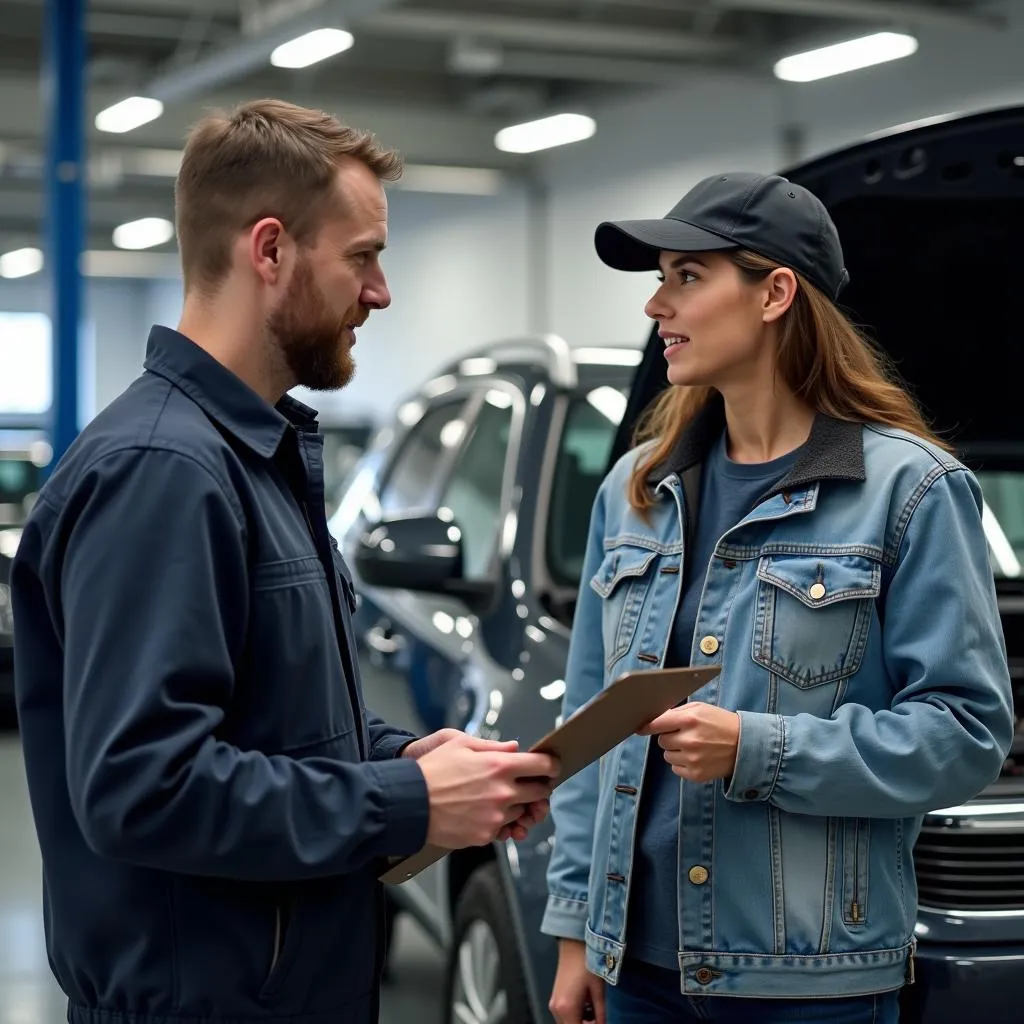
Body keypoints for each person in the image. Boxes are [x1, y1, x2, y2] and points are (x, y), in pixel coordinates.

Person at [10, 99, 558, 1024]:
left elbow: (267, 723)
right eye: (363, 256)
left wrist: (409, 760)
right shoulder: (164, 473)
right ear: (269, 251)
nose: (379, 292)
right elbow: (144, 787)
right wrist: (402, 801)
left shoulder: (248, 461)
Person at [542, 171, 1014, 1024]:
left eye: (686, 276)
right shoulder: (637, 490)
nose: (658, 306)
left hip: (807, 984)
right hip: (638, 972)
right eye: (660, 279)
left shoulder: (910, 491)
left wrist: (760, 749)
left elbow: (966, 734)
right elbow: (593, 725)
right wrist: (579, 931)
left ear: (776, 294)